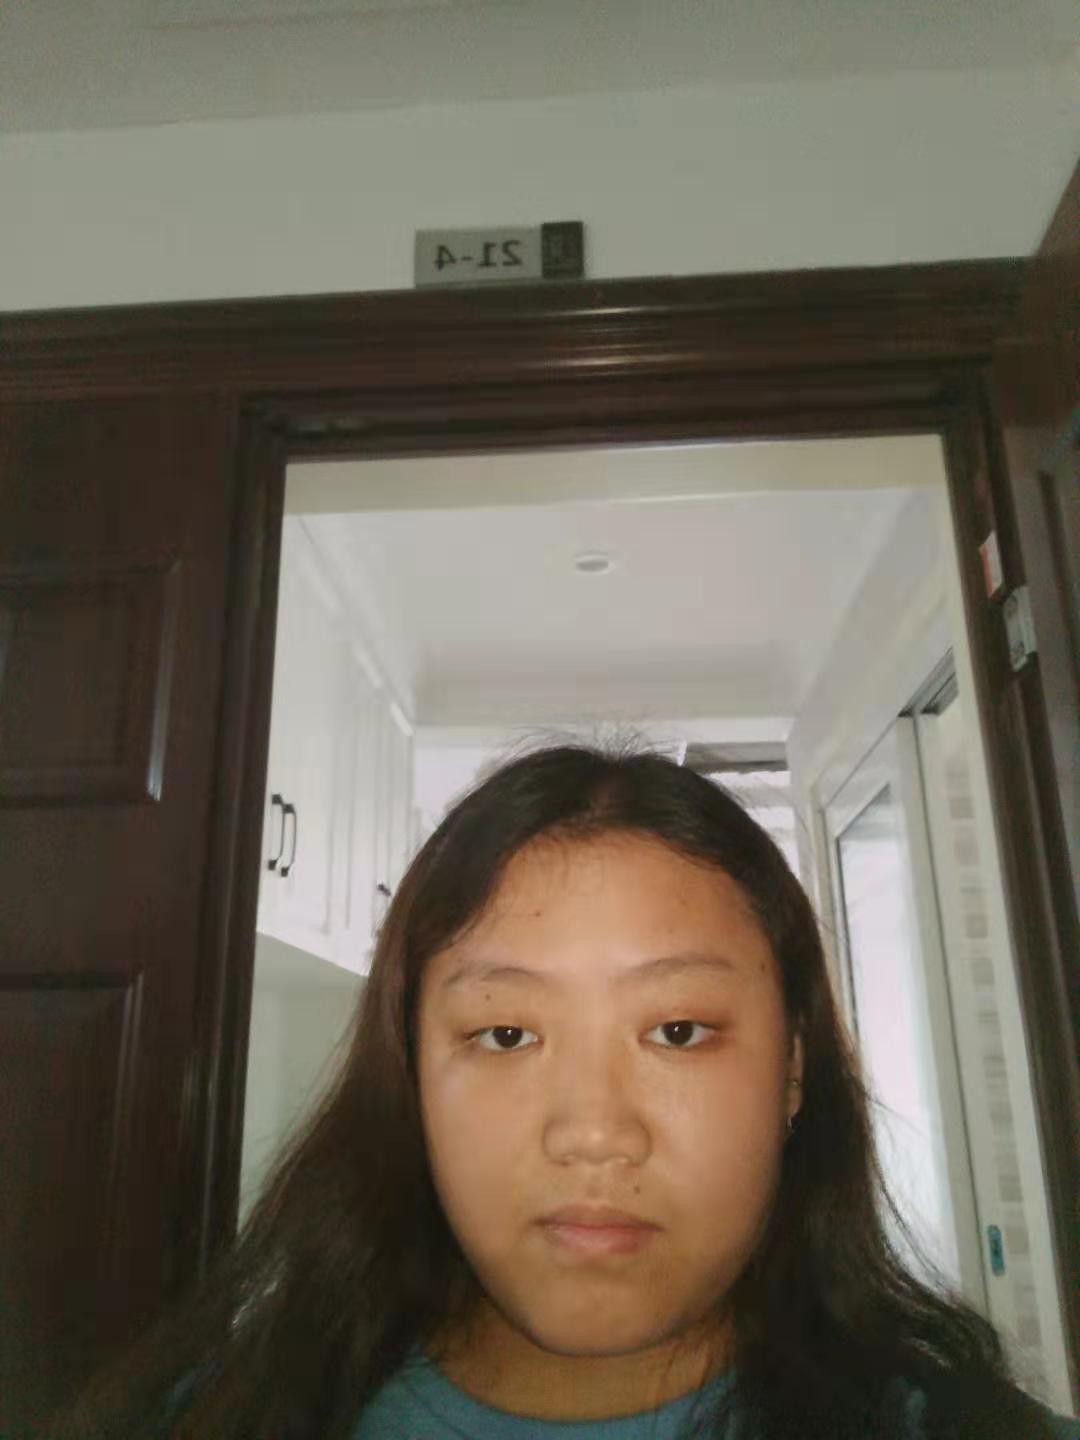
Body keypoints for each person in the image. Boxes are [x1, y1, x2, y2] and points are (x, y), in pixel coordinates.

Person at [52, 744, 1078, 1440]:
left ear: (794, 1072)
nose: (593, 1134)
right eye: (505, 1034)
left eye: (678, 1031)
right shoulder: (218, 1417)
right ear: (411, 1073)